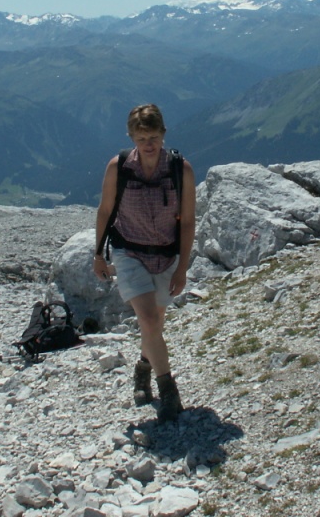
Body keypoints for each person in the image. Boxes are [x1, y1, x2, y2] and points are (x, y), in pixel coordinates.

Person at [94, 104, 196, 422]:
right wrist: (98, 254)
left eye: (153, 137)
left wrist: (182, 267)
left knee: (155, 324)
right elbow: (105, 210)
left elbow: (187, 222)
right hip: (128, 252)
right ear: (131, 137)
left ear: (163, 134)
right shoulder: (119, 168)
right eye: (141, 139)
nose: (148, 144)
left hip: (166, 255)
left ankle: (142, 370)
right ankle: (169, 393)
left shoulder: (180, 170)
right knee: (149, 321)